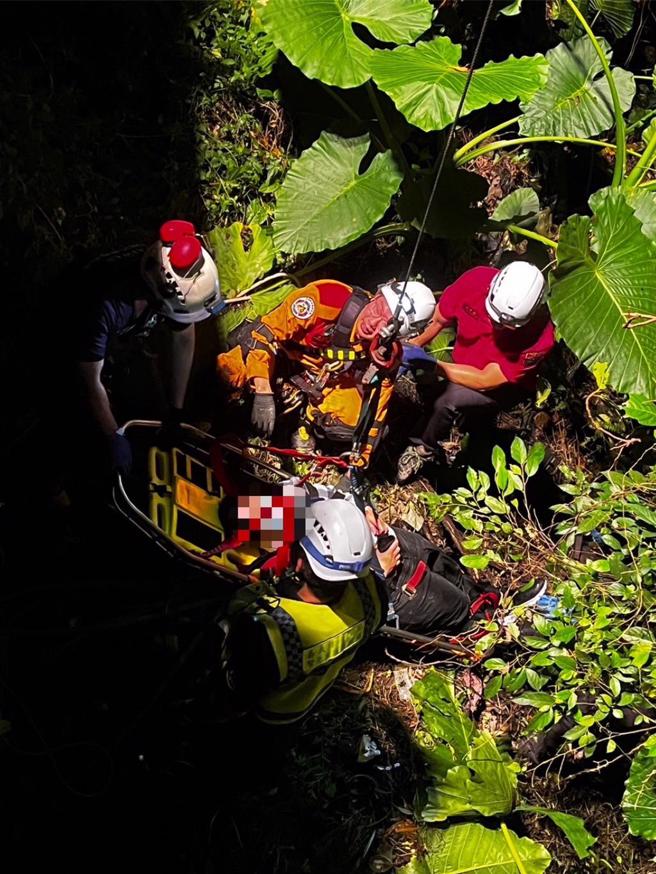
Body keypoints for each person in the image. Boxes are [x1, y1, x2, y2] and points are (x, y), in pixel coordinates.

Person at [216, 278, 435, 468]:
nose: (373, 324)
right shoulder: (326, 298)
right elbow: (263, 334)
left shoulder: (385, 351)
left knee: (351, 424)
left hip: (320, 376)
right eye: (378, 309)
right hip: (280, 354)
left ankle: (305, 421)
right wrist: (263, 392)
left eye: (386, 325)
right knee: (232, 370)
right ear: (377, 295)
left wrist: (362, 458)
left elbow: (378, 407)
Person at [74, 220, 224, 474]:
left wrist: (175, 411)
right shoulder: (106, 306)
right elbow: (89, 381)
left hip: (117, 344)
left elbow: (183, 334)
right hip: (69, 348)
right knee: (78, 425)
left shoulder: (160, 271)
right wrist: (114, 436)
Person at [223, 498, 387, 723]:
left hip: (267, 715)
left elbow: (237, 689)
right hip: (304, 703)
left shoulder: (270, 633)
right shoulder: (374, 596)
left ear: (300, 563)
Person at [396, 261, 555, 483]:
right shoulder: (476, 281)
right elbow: (441, 317)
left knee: (448, 400)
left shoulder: (542, 336)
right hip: (463, 360)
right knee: (436, 396)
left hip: (502, 388)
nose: (495, 325)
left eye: (504, 325)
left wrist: (431, 364)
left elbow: (486, 379)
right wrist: (413, 345)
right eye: (493, 317)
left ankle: (422, 450)